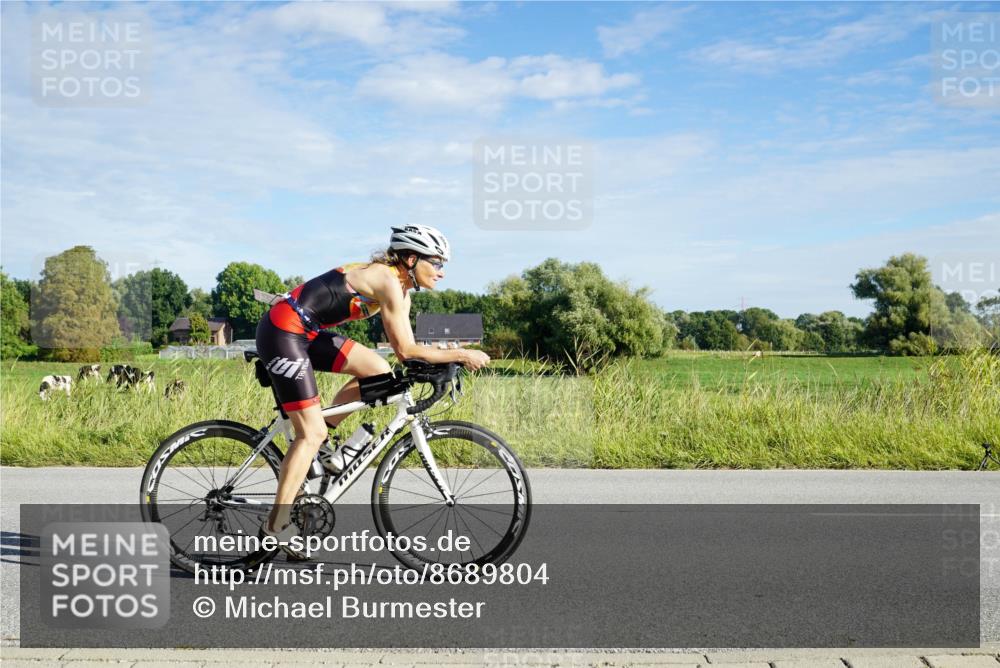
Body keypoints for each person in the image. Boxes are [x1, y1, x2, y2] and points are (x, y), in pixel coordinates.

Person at [254, 225, 490, 547]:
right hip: (283, 331)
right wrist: (461, 354)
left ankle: (320, 448)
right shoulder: (386, 280)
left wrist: (447, 355)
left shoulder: (402, 292)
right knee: (310, 433)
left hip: (305, 331)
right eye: (436, 263)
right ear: (411, 259)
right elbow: (405, 351)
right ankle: (276, 526)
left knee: (378, 370)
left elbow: (410, 349)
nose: (441, 272)